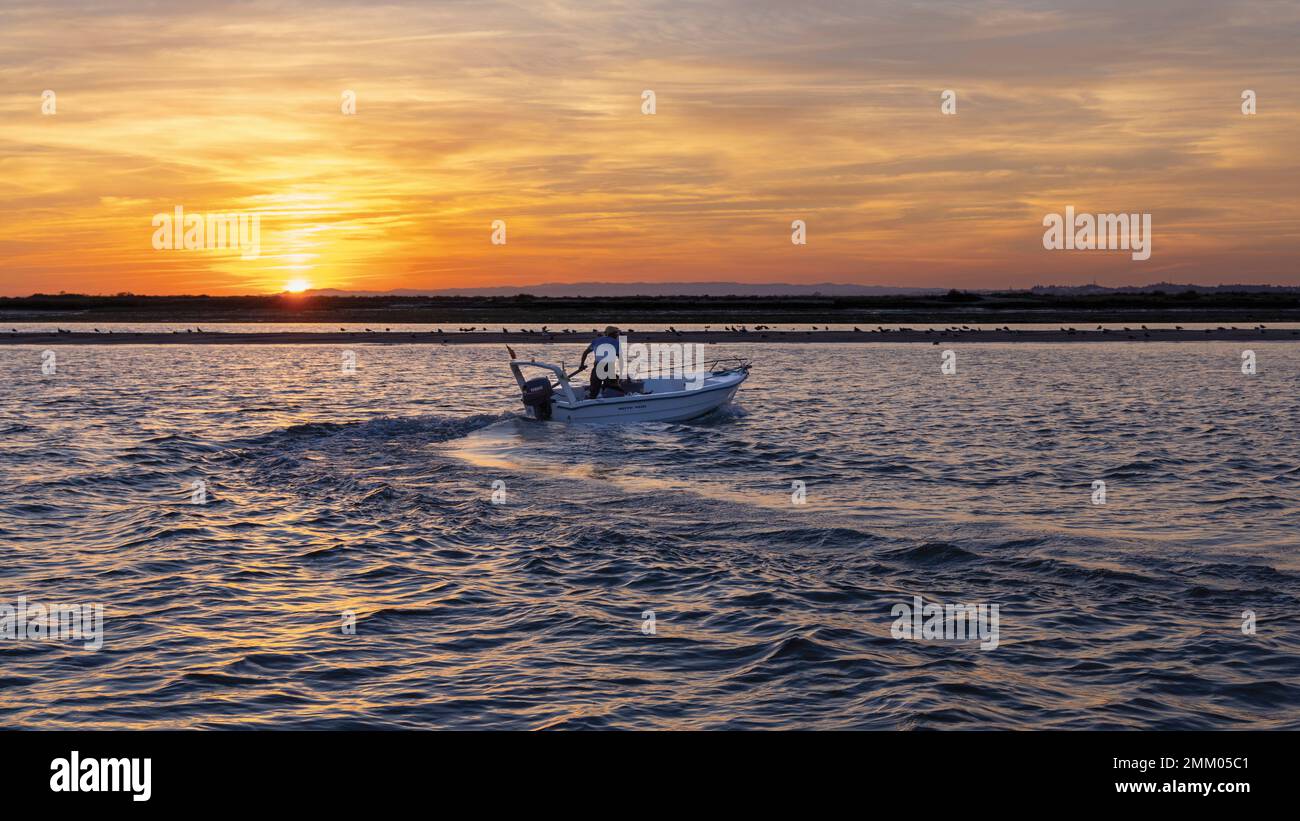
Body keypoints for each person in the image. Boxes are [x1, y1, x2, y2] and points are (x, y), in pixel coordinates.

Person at [579, 326, 622, 398]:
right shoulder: (616, 342)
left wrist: (582, 365)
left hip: (597, 367)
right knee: (610, 389)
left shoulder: (596, 340)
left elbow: (585, 352)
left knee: (594, 391)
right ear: (613, 334)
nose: (618, 335)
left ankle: (592, 400)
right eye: (617, 333)